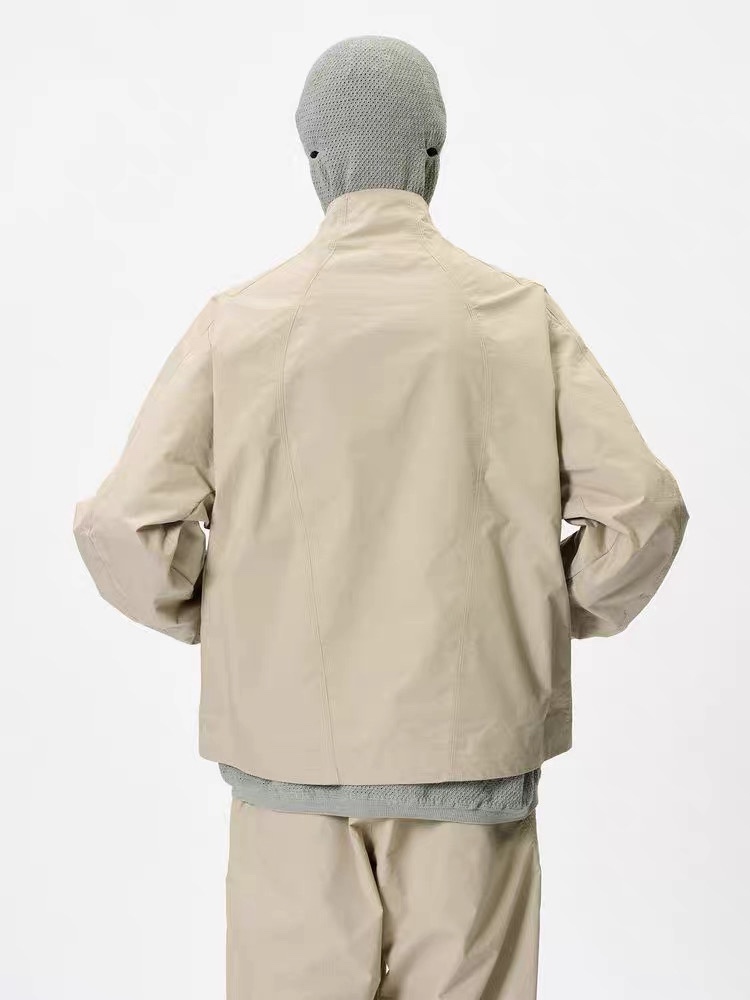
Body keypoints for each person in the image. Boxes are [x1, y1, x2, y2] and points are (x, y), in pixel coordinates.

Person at [73, 34, 690, 1000]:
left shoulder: (242, 321)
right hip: (471, 757)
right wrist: (544, 607)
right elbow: (643, 511)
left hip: (286, 763)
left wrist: (218, 611)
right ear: (433, 154)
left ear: (314, 160)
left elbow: (124, 525)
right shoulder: (514, 315)